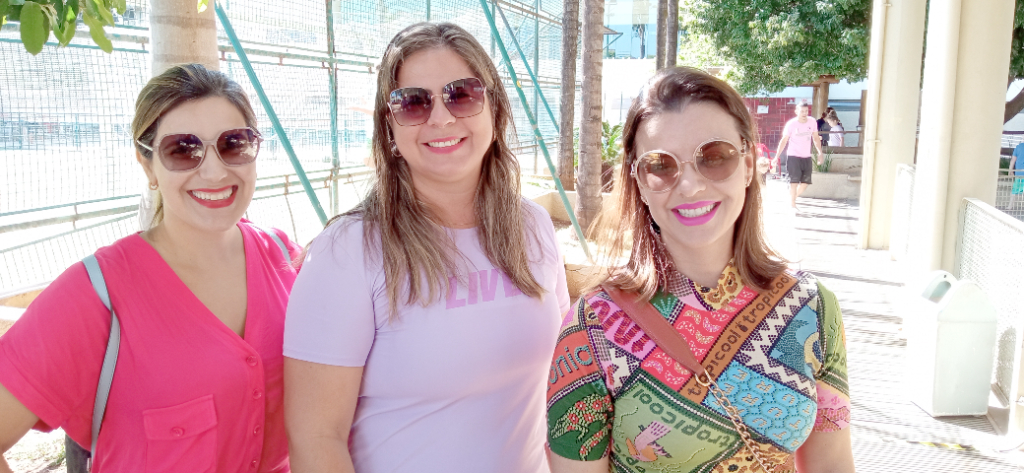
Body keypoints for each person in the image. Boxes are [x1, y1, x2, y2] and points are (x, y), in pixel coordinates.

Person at [283, 22, 569, 473]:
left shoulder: (533, 227)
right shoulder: (348, 251)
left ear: (494, 109)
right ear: (389, 127)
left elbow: (559, 392)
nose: (440, 118)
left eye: (462, 95)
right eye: (413, 102)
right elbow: (316, 438)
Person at [546, 67, 854, 473]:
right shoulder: (593, 327)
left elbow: (832, 464)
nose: (689, 185)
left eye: (714, 157)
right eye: (661, 165)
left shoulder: (812, 309)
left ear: (748, 164)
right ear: (639, 182)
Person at [0, 64, 299, 472]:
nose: (214, 171)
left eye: (234, 143)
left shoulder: (285, 257)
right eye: (182, 149)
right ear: (147, 165)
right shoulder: (96, 294)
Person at [776, 102, 823, 209]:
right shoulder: (791, 124)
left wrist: (820, 153)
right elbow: (784, 140)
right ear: (796, 112)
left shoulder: (812, 122)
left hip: (806, 157)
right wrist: (776, 156)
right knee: (794, 181)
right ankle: (792, 204)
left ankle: (792, 198)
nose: (804, 113)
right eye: (802, 111)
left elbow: (815, 138)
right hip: (793, 156)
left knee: (805, 183)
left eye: (806, 111)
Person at [1011, 142, 1024, 208]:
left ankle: (1010, 206)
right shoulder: (1018, 147)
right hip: (1019, 173)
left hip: (1018, 173)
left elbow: (1013, 159)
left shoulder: (1018, 147)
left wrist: (1010, 169)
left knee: (1015, 190)